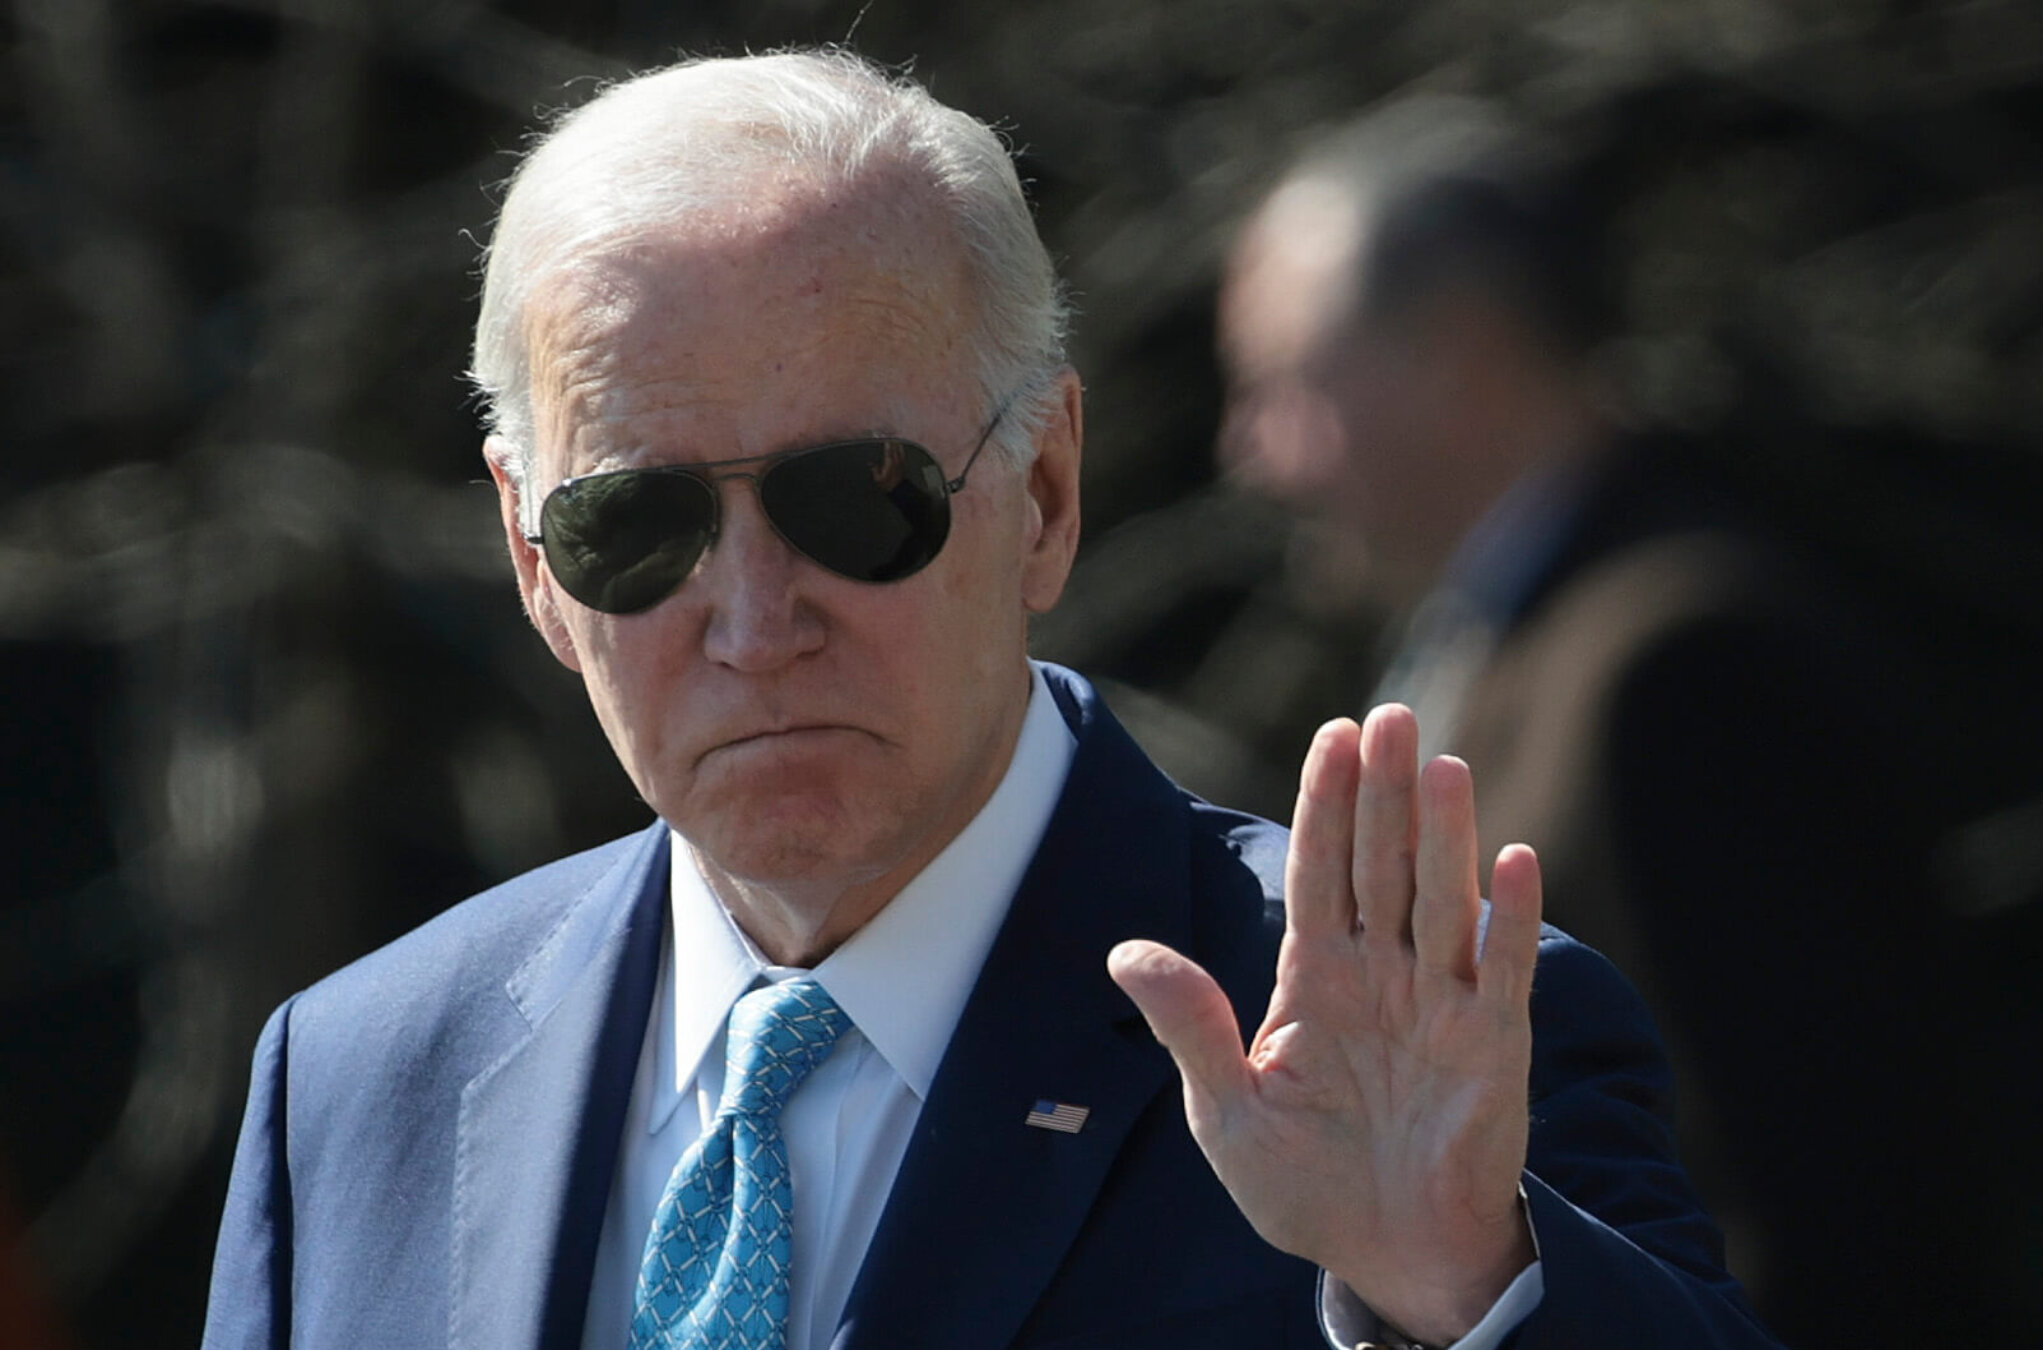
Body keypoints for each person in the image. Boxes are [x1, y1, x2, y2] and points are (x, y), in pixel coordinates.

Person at [200, 51, 1776, 1350]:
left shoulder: (1385, 1055)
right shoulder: (355, 1089)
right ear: (532, 557)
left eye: (858, 499)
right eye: (635, 525)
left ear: (1044, 489)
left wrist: (1461, 1296)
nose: (754, 621)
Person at [1218, 102, 1966, 1346]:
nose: (1256, 456)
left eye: (1284, 385)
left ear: (1454, 356)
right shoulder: (1509, 648)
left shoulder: (1689, 665)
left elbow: (1824, 1201)